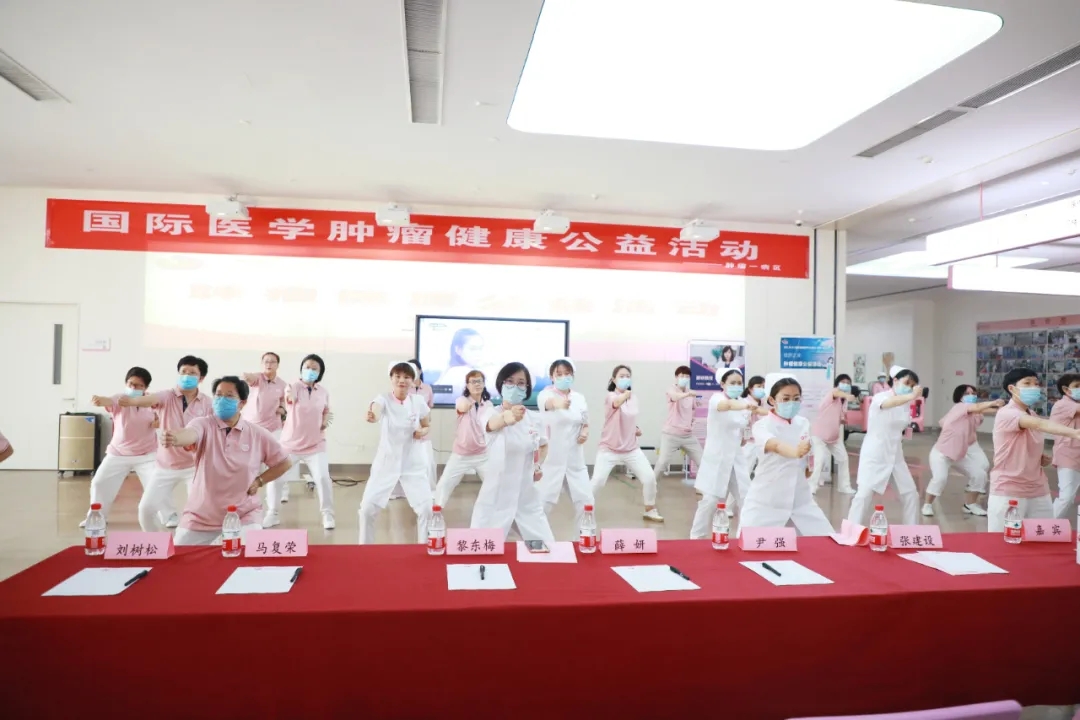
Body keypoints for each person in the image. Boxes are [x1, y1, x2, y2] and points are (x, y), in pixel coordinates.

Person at [161, 376, 292, 545]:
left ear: (242, 403)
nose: (222, 399)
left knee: (244, 554)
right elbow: (190, 434)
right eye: (218, 394)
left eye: (229, 395)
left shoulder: (257, 434)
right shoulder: (203, 424)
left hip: (243, 515)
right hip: (201, 515)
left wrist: (260, 481)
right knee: (179, 553)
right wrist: (175, 438)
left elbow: (284, 462)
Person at [470, 362, 555, 543]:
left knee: (546, 547)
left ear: (527, 388)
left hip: (526, 498)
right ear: (501, 384)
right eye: (509, 381)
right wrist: (508, 417)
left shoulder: (534, 418)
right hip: (496, 497)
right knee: (482, 548)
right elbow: (494, 424)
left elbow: (543, 445)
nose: (515, 386)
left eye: (521, 383)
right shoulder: (489, 413)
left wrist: (537, 465)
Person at [739, 375, 834, 535]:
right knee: (752, 542)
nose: (792, 403)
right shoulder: (762, 426)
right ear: (772, 400)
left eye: (796, 398)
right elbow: (775, 445)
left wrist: (809, 466)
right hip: (767, 500)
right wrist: (796, 452)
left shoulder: (803, 423)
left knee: (824, 541)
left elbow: (807, 452)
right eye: (786, 398)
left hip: (799, 499)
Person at [987, 368, 1080, 532]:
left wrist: (1038, 457)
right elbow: (1039, 424)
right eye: (1027, 383)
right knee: (1003, 542)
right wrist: (1075, 433)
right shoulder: (1007, 413)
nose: (1034, 387)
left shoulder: (1031, 413)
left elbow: (1027, 438)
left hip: (1038, 489)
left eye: (1036, 384)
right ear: (1012, 388)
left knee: (1044, 537)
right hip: (1009, 489)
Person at [132, 355, 213, 531]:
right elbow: (150, 399)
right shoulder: (167, 396)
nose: (187, 376)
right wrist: (133, 400)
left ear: (201, 378)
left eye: (192, 373)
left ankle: (192, 542)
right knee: (145, 509)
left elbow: (213, 429)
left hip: (195, 467)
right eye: (183, 372)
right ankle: (154, 543)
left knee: (199, 511)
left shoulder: (207, 403)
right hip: (165, 466)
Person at [359, 362, 434, 544]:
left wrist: (422, 431)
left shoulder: (418, 401)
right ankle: (364, 549)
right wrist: (373, 416)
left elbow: (426, 424)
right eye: (397, 376)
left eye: (407, 377)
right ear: (391, 378)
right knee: (367, 510)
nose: (402, 380)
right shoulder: (383, 399)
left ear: (412, 380)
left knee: (426, 509)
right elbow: (376, 410)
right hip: (386, 464)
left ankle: (423, 549)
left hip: (412, 464)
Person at [264, 354, 335, 530]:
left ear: (320, 372)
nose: (310, 370)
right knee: (275, 478)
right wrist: (290, 397)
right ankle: (272, 513)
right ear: (302, 369)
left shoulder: (323, 392)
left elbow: (326, 410)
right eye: (307, 367)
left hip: (315, 444)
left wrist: (325, 419)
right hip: (290, 444)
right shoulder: (293, 386)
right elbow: (290, 398)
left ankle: (327, 514)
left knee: (323, 478)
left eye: (314, 368)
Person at [81, 367, 159, 526]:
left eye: (138, 385)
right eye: (131, 384)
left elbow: (162, 417)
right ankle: (97, 517)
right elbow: (108, 401)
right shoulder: (120, 398)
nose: (133, 388)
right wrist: (99, 400)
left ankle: (167, 516)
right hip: (118, 453)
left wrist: (158, 421)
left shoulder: (151, 402)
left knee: (157, 484)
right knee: (99, 483)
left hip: (147, 454)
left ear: (145, 388)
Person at [847, 366, 922, 527]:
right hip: (875, 453)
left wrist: (910, 398)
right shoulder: (880, 397)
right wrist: (912, 395)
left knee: (910, 494)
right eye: (906, 383)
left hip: (896, 455)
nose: (909, 388)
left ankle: (911, 531)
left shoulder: (905, 403)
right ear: (895, 380)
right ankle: (851, 531)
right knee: (864, 495)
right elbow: (889, 403)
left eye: (912, 386)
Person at [590, 365, 661, 521]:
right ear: (613, 380)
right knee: (598, 481)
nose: (625, 379)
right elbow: (616, 404)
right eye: (621, 376)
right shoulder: (610, 396)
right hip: (609, 449)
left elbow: (628, 417)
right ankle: (585, 509)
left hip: (631, 449)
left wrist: (635, 429)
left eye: (627, 376)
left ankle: (650, 509)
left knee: (649, 478)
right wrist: (626, 394)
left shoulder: (633, 398)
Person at [921, 385, 1002, 518]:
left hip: (959, 454)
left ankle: (970, 504)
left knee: (979, 474)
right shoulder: (960, 407)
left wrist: (1002, 407)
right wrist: (994, 402)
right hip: (942, 453)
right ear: (960, 397)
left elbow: (984, 410)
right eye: (967, 393)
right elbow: (978, 407)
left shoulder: (975, 413)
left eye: (973, 393)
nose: (971, 395)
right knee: (940, 478)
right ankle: (927, 505)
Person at [690, 369, 754, 538]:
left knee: (747, 498)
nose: (737, 386)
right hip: (717, 457)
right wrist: (746, 406)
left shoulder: (743, 402)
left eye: (739, 383)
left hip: (736, 458)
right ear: (723, 384)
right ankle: (696, 538)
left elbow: (744, 425)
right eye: (732, 383)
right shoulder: (716, 399)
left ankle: (744, 537)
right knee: (710, 501)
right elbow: (727, 406)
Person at [536, 358, 593, 530]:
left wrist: (584, 432)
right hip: (552, 462)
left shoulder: (579, 398)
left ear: (572, 375)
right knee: (541, 506)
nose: (563, 377)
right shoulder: (545, 394)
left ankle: (583, 538)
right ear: (552, 377)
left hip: (575, 462)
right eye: (559, 374)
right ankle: (536, 540)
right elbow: (548, 404)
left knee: (587, 503)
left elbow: (585, 421)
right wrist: (558, 403)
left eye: (567, 374)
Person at [433, 370, 491, 508]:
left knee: (494, 484)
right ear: (467, 385)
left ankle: (498, 514)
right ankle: (436, 512)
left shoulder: (488, 405)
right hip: (461, 454)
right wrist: (471, 403)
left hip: (482, 454)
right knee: (444, 484)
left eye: (479, 381)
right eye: (473, 382)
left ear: (484, 384)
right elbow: (462, 407)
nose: (477, 384)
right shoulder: (462, 400)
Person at [241, 351, 289, 502]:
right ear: (262, 364)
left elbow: (285, 402)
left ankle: (282, 491)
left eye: (272, 361)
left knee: (278, 461)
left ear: (277, 365)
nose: (269, 364)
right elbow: (251, 379)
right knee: (250, 461)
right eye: (266, 361)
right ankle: (248, 490)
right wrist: (247, 376)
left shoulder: (283, 385)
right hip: (253, 427)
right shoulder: (258, 379)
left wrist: (282, 409)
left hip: (274, 428)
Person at [390, 358, 436, 500]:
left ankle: (428, 491)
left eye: (415, 369)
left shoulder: (427, 388)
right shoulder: (402, 387)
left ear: (420, 371)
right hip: (403, 434)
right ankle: (398, 492)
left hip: (422, 432)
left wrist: (424, 427)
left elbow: (428, 410)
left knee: (426, 464)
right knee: (399, 464)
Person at [652, 365, 704, 490]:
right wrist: (687, 394)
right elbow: (674, 397)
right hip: (671, 434)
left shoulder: (690, 393)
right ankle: (651, 486)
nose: (684, 378)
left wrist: (692, 420)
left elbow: (693, 410)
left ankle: (703, 488)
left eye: (687, 376)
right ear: (676, 377)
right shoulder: (672, 389)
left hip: (688, 435)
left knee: (703, 462)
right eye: (682, 376)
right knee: (662, 462)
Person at [807, 374, 856, 495]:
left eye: (848, 383)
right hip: (819, 434)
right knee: (819, 459)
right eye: (843, 382)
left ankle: (844, 486)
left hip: (833, 436)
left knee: (843, 459)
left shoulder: (844, 401)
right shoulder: (833, 393)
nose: (845, 384)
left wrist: (843, 419)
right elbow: (836, 393)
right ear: (837, 384)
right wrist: (847, 395)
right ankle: (811, 487)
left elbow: (840, 416)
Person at [1050, 373, 1080, 519]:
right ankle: (1047, 523)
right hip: (1067, 455)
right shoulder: (1063, 404)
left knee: (1070, 495)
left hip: (1076, 454)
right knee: (1067, 496)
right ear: (1066, 389)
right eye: (1077, 386)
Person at [434, 328, 486, 395]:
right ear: (458, 349)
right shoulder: (459, 372)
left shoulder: (451, 370)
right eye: (473, 349)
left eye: (480, 348)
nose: (478, 353)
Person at [741, 375, 770, 478]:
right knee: (745, 472)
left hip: (759, 442)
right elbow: (757, 412)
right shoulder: (745, 402)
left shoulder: (762, 403)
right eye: (759, 386)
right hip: (748, 442)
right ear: (750, 388)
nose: (762, 389)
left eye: (763, 387)